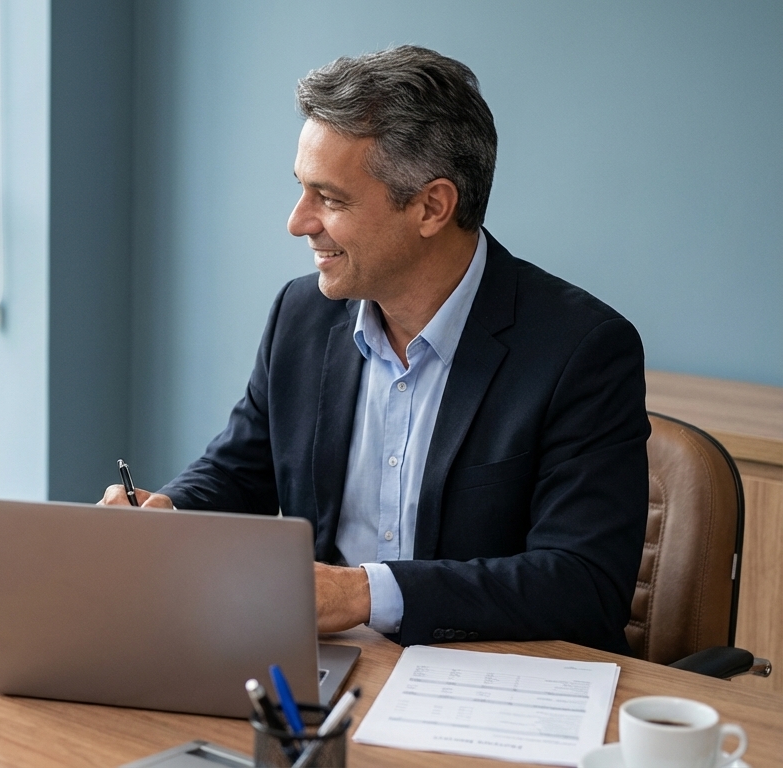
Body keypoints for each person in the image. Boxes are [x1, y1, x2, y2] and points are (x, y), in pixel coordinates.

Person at [102, 46, 649, 654]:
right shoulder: (302, 315)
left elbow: (583, 586)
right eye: (301, 191)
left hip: (479, 682)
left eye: (329, 199)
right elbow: (239, 471)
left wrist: (362, 593)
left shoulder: (582, 350)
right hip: (320, 668)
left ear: (430, 207)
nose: (297, 222)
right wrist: (167, 514)